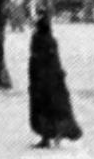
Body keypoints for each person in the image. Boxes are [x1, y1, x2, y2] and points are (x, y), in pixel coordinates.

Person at [27, 13, 83, 148]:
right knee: (55, 107)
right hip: (54, 79)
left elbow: (36, 59)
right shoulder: (51, 40)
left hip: (41, 79)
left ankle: (46, 136)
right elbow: (54, 60)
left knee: (41, 107)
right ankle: (58, 130)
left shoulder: (37, 40)